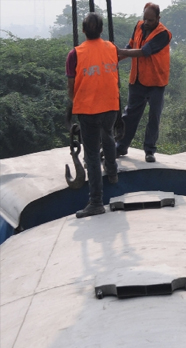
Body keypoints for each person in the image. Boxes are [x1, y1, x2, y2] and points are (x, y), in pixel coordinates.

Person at [66, 12, 120, 218]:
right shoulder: (112, 48)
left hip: (88, 109)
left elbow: (71, 87)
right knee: (108, 136)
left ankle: (96, 202)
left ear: (82, 30)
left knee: (91, 155)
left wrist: (76, 103)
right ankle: (113, 173)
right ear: (101, 30)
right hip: (111, 105)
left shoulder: (75, 54)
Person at [116, 2, 172, 163]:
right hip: (138, 80)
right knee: (130, 115)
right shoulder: (139, 26)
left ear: (158, 19)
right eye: (145, 19)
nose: (146, 23)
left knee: (154, 117)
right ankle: (121, 146)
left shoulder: (164, 34)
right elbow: (131, 45)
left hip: (156, 82)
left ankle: (149, 150)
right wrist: (116, 58)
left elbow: (144, 52)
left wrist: (120, 51)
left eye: (150, 20)